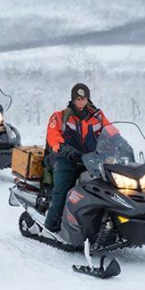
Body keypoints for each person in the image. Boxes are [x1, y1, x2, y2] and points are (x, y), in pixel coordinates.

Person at [43, 83, 115, 233]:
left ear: (88, 99)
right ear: (73, 99)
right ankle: (51, 225)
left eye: (84, 98)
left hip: (90, 160)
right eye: (78, 98)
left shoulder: (98, 116)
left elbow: (111, 132)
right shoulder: (60, 116)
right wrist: (62, 147)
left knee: (106, 188)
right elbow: (53, 136)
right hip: (65, 159)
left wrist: (120, 144)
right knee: (62, 192)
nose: (81, 101)